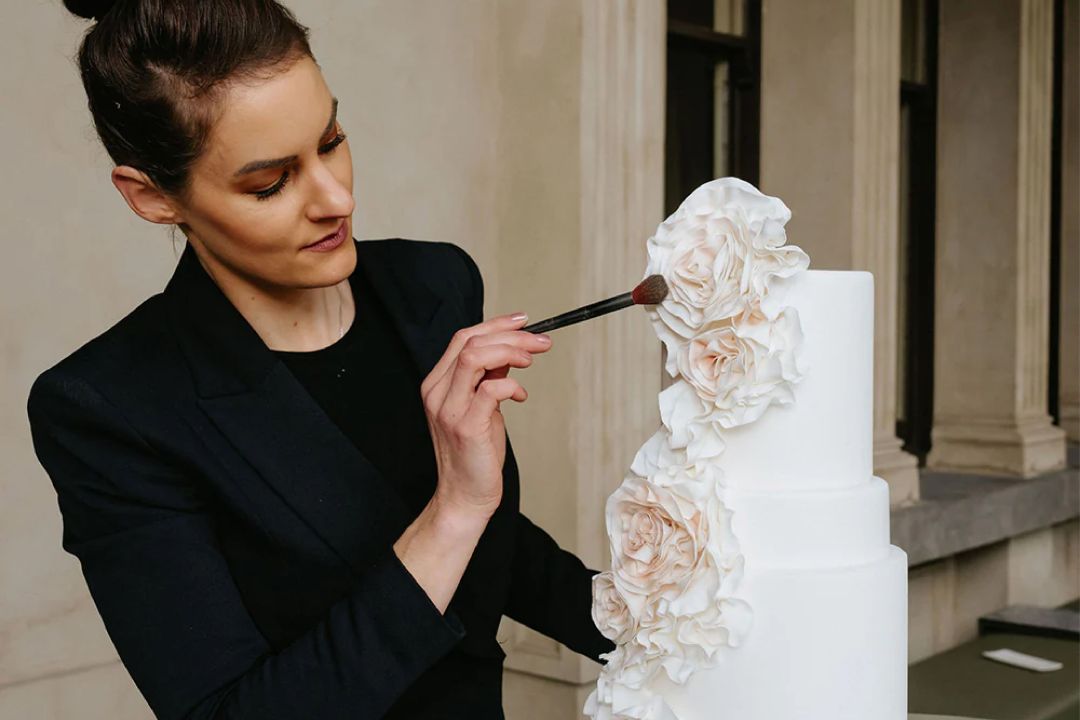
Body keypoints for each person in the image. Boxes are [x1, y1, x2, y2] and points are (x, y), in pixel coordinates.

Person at [26, 1, 615, 718]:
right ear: (152, 196)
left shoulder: (434, 285)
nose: (337, 199)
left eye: (331, 141)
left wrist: (682, 635)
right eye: (270, 183)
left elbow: (501, 553)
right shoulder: (110, 407)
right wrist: (455, 509)